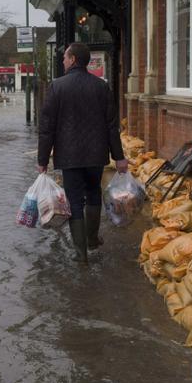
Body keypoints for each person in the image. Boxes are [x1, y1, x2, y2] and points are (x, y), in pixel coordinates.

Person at [37, 42, 128, 263]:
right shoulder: (101, 86)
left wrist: (42, 160)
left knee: (75, 201)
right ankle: (92, 239)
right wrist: (119, 157)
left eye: (65, 57)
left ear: (74, 60)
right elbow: (111, 126)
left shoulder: (57, 87)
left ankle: (81, 255)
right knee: (94, 192)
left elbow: (47, 127)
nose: (63, 60)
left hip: (69, 157)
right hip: (96, 155)